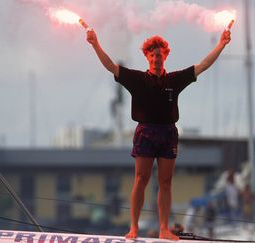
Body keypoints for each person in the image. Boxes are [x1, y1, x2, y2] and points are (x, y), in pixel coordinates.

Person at [85, 22, 233, 240]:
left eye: (160, 56)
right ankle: (133, 228)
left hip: (168, 133)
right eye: (153, 56)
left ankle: (164, 228)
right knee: (141, 179)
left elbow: (203, 65)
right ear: (147, 57)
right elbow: (110, 66)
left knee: (165, 182)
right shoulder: (137, 79)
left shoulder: (174, 79)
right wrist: (95, 44)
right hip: (145, 132)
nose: (156, 59)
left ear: (165, 57)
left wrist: (221, 44)